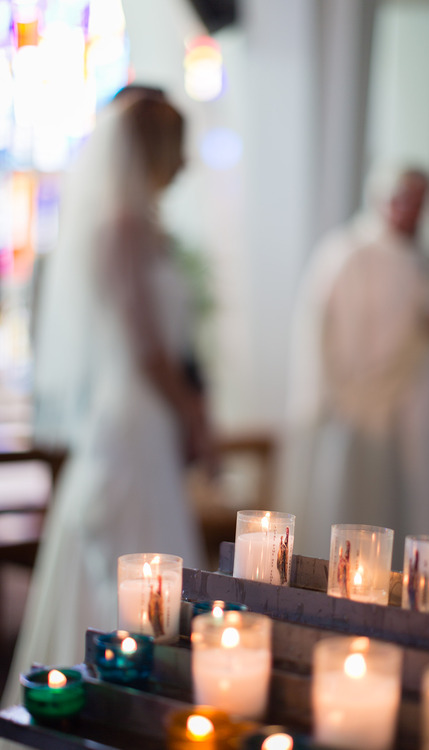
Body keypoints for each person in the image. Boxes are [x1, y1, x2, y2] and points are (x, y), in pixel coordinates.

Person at [2, 87, 216, 710]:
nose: (185, 161)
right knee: (129, 552)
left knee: (148, 549)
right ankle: (112, 702)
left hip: (142, 416)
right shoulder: (120, 229)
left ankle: (140, 700)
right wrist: (196, 417)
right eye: (179, 146)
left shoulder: (144, 229)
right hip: (134, 414)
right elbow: (149, 352)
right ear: (154, 148)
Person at [278, 166, 429, 569]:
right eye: (403, 197)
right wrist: (345, 391)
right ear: (382, 198)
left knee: (418, 502)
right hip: (358, 404)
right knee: (358, 505)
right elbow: (325, 330)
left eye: (420, 200)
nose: (410, 209)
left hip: (417, 399)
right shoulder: (348, 253)